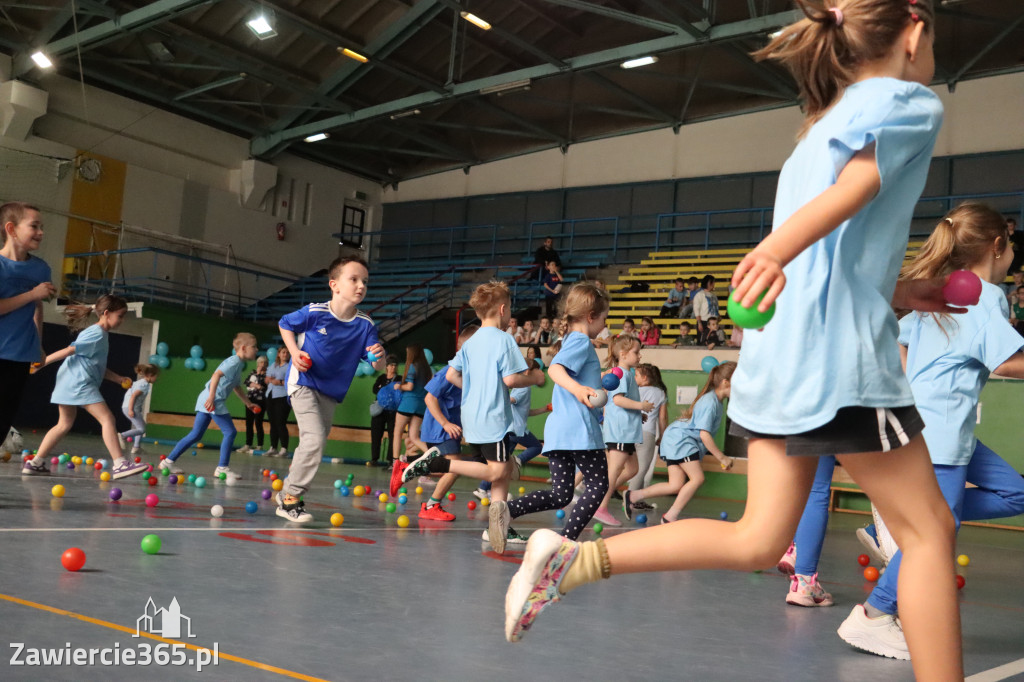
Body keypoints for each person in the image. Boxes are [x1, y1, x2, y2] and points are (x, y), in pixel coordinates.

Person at [505, 6, 964, 679]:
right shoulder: (909, 100)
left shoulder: (816, 132)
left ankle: (574, 558)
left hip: (778, 361)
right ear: (914, 28)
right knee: (927, 535)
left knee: (757, 538)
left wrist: (900, 292)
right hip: (841, 366)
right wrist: (775, 250)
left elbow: (830, 259)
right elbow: (858, 187)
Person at [839, 203, 1024, 659]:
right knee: (939, 529)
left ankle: (901, 520)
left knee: (1014, 494)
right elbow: (1005, 361)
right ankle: (875, 614)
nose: (1014, 253)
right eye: (1013, 244)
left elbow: (901, 345)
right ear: (996, 246)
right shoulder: (983, 293)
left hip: (931, 424)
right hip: (941, 431)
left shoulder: (943, 290)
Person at [397, 280, 544, 553]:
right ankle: (434, 463)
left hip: (472, 418)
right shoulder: (504, 340)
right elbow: (512, 379)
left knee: (500, 474)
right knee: (500, 470)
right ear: (502, 309)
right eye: (510, 308)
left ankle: (497, 528)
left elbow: (452, 375)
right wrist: (535, 377)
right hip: (493, 418)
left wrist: (476, 389)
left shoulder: (471, 342)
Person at [486, 282, 611, 548]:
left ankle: (509, 510)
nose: (605, 323)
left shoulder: (569, 340)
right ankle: (566, 542)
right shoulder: (580, 341)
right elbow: (555, 369)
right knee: (598, 485)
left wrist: (595, 383)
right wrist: (579, 390)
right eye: (604, 318)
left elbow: (570, 373)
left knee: (560, 494)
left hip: (559, 431)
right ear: (591, 317)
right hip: (579, 430)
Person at [275, 255, 386, 522]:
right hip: (303, 383)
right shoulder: (316, 313)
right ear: (334, 285)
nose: (361, 286)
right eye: (354, 279)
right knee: (314, 439)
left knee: (315, 442)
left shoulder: (365, 325)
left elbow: (377, 365)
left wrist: (379, 356)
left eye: (365, 282)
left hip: (331, 392)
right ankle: (290, 499)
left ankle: (287, 489)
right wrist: (294, 352)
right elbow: (285, 323)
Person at [22, 295, 147, 480]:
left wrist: (118, 379)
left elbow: (96, 366)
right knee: (107, 419)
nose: (122, 320)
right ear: (106, 313)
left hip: (69, 382)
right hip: (79, 383)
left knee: (63, 424)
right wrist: (42, 362)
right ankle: (120, 464)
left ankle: (35, 463)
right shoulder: (96, 333)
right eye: (120, 315)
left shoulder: (101, 335)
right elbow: (69, 350)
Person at [623, 362, 735, 525]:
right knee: (697, 479)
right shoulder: (710, 402)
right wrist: (722, 457)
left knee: (675, 485)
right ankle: (670, 516)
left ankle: (633, 495)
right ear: (726, 383)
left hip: (675, 439)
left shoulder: (715, 401)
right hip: (681, 441)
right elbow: (704, 434)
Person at [160, 333, 260, 482]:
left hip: (207, 399)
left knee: (196, 435)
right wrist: (212, 397)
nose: (257, 349)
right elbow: (215, 375)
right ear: (244, 348)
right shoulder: (233, 361)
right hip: (213, 400)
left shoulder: (239, 364)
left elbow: (236, 387)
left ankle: (167, 462)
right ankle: (222, 468)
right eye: (254, 346)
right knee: (230, 432)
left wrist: (248, 403)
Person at [405, 326, 478, 522]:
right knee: (456, 466)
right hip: (439, 428)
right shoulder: (450, 370)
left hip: (450, 427)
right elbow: (430, 398)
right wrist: (445, 423)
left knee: (450, 467)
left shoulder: (470, 372)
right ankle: (431, 505)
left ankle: (408, 467)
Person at [0, 202, 55, 450]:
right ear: (11, 229)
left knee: (4, 419)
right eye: (34, 226)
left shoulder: (40, 269)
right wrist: (33, 294)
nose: (41, 232)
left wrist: (39, 343)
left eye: (42, 227)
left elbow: (38, 306)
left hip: (21, 354)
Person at [475, 345, 550, 503]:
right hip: (516, 430)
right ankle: (518, 461)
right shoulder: (524, 388)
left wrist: (544, 409)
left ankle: (483, 488)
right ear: (529, 372)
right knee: (536, 447)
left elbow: (524, 412)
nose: (541, 373)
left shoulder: (524, 387)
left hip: (513, 429)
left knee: (499, 464)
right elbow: (511, 400)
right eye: (538, 370)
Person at [591, 336, 654, 527]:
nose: (639, 355)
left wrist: (638, 413)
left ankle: (602, 495)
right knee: (614, 471)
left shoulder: (627, 373)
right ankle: (600, 507)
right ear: (623, 354)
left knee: (633, 469)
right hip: (620, 431)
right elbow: (617, 400)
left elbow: (622, 402)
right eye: (636, 352)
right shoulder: (621, 374)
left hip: (627, 431)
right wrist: (640, 405)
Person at [628, 363, 668, 499]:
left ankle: (631, 498)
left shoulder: (633, 391)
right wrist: (662, 436)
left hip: (629, 432)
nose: (634, 378)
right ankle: (630, 498)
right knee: (641, 469)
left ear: (644, 378)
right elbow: (662, 419)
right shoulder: (660, 393)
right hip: (647, 433)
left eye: (636, 375)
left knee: (627, 467)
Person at [391, 344, 432, 467]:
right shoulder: (427, 370)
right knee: (414, 437)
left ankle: (395, 462)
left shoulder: (412, 367)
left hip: (407, 404)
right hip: (420, 406)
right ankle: (430, 454)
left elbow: (409, 386)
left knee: (397, 433)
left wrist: (399, 386)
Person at [117, 363, 160, 455]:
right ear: (150, 376)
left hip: (127, 407)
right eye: (156, 376)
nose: (156, 378)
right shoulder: (144, 385)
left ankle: (136, 447)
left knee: (141, 426)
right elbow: (133, 396)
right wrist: (131, 409)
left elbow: (129, 394)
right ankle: (122, 436)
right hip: (130, 408)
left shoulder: (138, 382)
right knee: (142, 429)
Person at [369, 354, 398, 466]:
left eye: (395, 365)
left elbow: (398, 391)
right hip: (379, 410)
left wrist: (384, 389)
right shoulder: (381, 378)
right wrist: (385, 390)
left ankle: (391, 459)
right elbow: (375, 389)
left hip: (392, 411)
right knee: (376, 434)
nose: (393, 368)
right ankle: (374, 458)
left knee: (393, 435)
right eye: (391, 365)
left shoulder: (399, 379)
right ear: (386, 366)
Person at [237, 355, 268, 454]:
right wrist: (255, 384)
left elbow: (263, 386)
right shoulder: (253, 372)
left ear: (266, 364)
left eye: (263, 363)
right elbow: (246, 382)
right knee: (249, 422)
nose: (261, 365)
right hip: (250, 400)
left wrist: (257, 380)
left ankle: (259, 445)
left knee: (258, 423)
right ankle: (248, 444)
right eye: (260, 363)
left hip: (261, 401)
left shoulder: (267, 375)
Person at [265, 347, 292, 458]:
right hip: (270, 395)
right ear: (279, 354)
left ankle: (284, 448)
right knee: (273, 422)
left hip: (282, 396)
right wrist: (270, 380)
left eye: (287, 352)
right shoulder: (273, 366)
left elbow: (290, 381)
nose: (285, 354)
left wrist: (280, 382)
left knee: (281, 422)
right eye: (283, 352)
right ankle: (273, 447)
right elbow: (267, 379)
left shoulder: (290, 367)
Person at [692, 275, 719, 341]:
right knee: (703, 341)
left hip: (714, 322)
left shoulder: (714, 296)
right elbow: (696, 310)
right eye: (713, 282)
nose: (714, 284)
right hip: (704, 321)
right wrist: (699, 323)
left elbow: (716, 308)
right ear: (709, 283)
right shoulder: (700, 295)